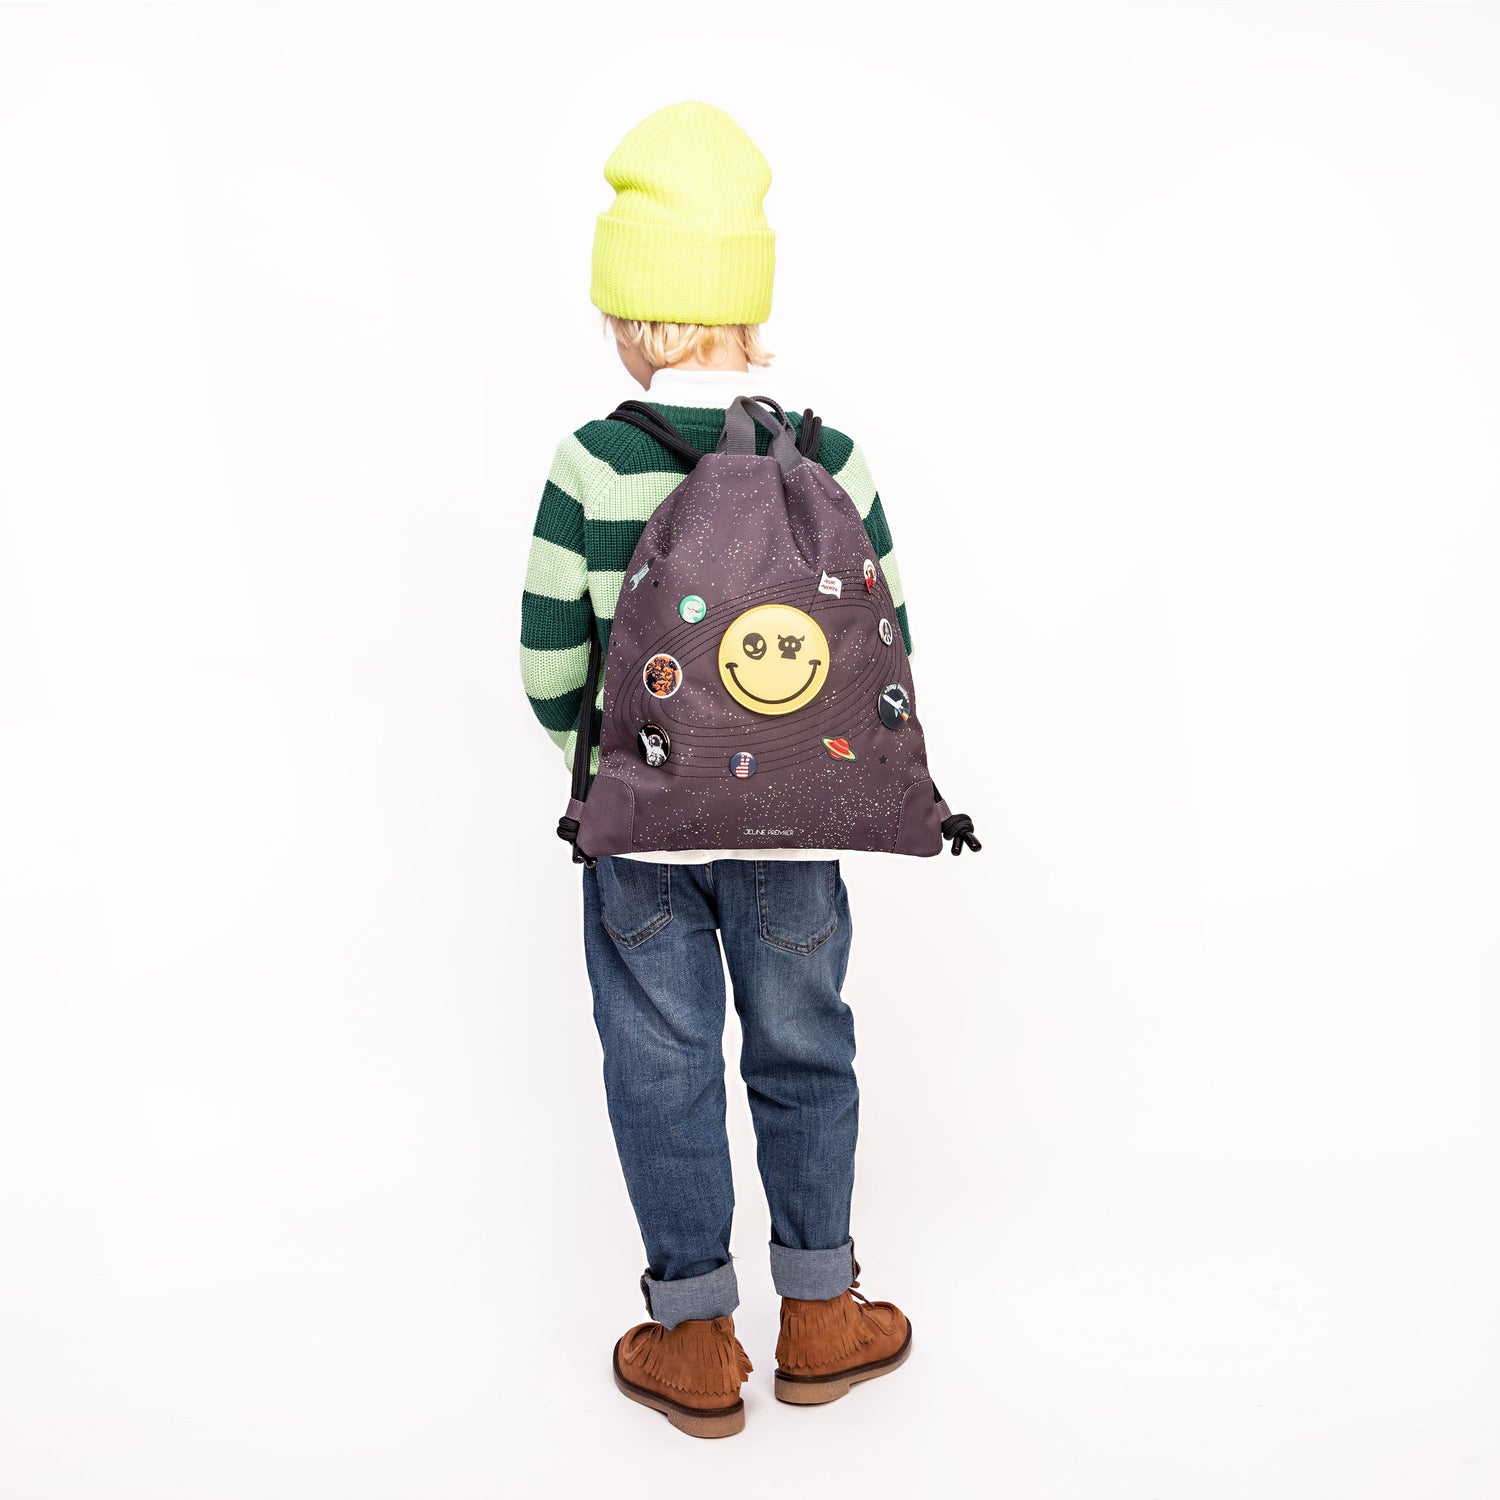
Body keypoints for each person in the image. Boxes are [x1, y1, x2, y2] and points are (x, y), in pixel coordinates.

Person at [520, 102, 913, 1439]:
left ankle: (693, 1340)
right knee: (805, 1046)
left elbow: (550, 665)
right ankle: (822, 1315)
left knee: (662, 1064)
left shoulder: (593, 461)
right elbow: (885, 651)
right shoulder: (833, 459)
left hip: (641, 839)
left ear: (630, 310)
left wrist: (625, 774)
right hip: (797, 828)